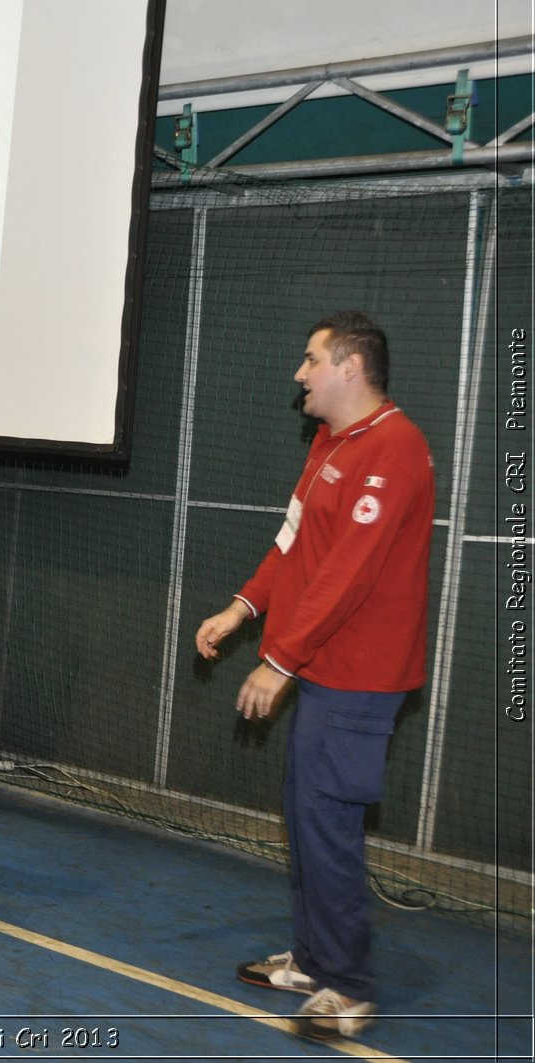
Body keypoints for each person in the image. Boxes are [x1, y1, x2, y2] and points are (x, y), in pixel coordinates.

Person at [194, 312, 434, 1041]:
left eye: (311, 359)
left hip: (359, 679)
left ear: (351, 368)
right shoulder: (331, 442)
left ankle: (349, 987)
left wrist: (278, 662)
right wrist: (241, 610)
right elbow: (294, 544)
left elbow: (348, 573)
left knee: (328, 825)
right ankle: (313, 958)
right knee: (306, 819)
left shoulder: (395, 447)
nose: (299, 373)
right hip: (321, 670)